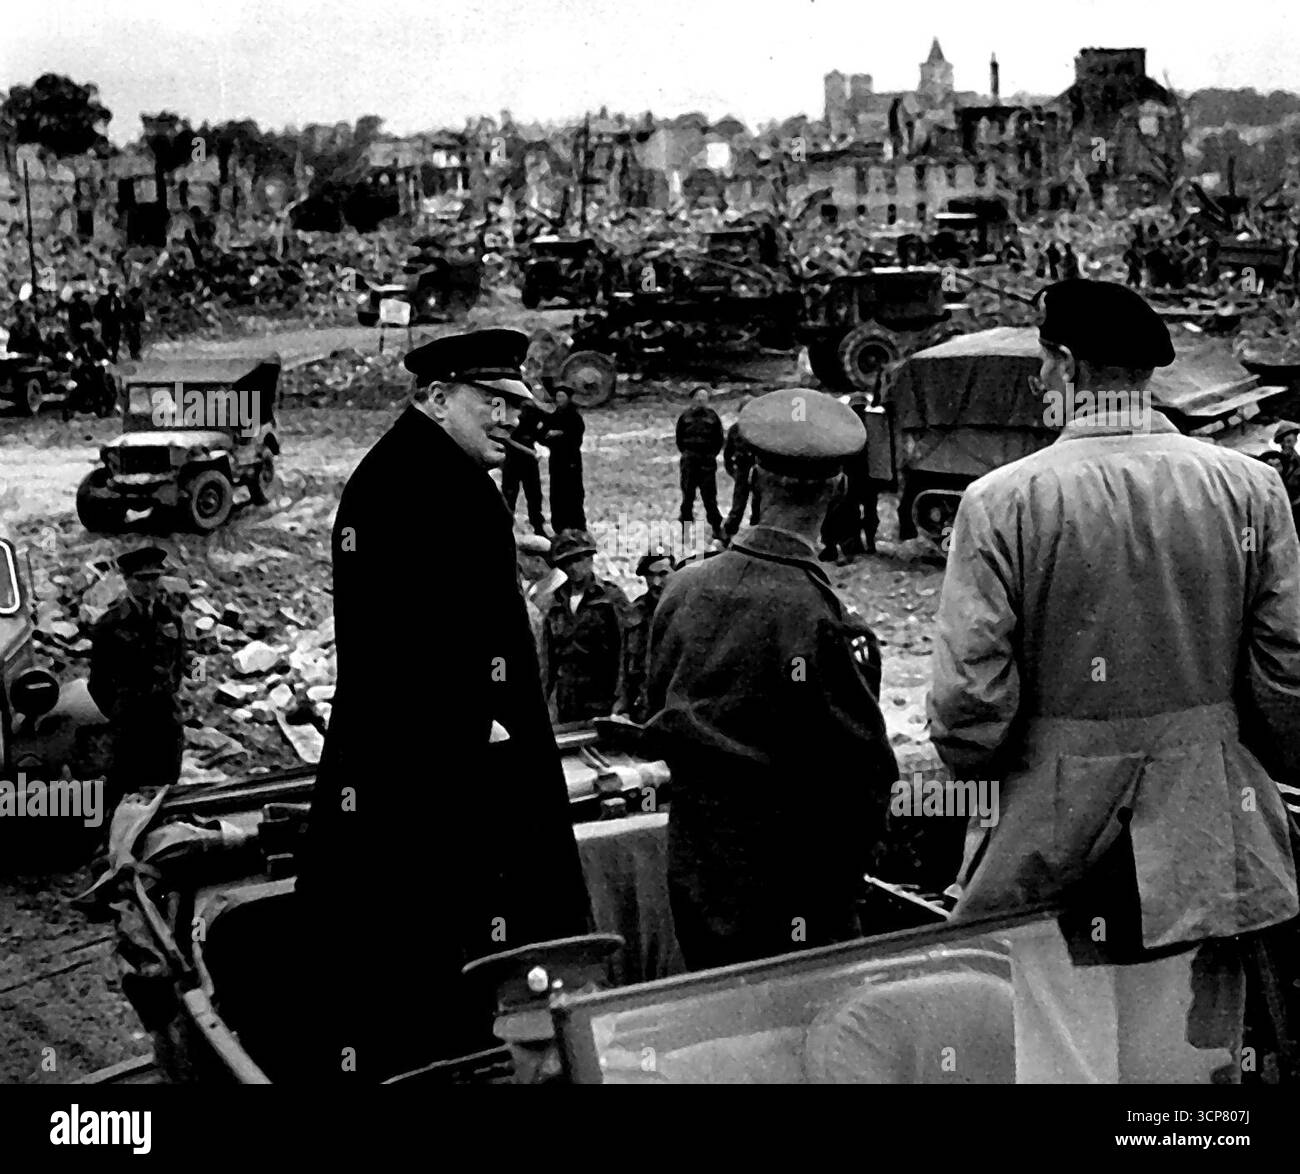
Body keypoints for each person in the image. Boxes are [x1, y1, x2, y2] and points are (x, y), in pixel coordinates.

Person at [930, 279, 1300, 1084]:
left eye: (1042, 364)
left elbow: (968, 703)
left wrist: (996, 775)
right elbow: (1287, 674)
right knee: (1183, 1084)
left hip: (1050, 843)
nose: (1039, 383)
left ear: (1063, 365)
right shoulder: (1250, 486)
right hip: (1207, 835)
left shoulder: (1001, 501)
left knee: (1065, 1063)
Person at [296, 329, 592, 1082]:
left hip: (407, 773)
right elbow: (429, 657)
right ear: (435, 399)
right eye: (490, 402)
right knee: (439, 951)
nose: (509, 419)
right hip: (431, 783)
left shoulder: (413, 474)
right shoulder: (440, 488)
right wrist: (493, 735)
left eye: (514, 404)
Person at [644, 388, 897, 971]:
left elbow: (656, 711)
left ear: (751, 476)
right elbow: (864, 782)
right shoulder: (830, 626)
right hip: (797, 896)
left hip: (697, 878)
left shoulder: (682, 590)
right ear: (836, 490)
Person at [87, 546, 186, 811]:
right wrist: (118, 710)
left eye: (155, 578)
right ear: (127, 581)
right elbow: (97, 682)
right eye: (142, 579)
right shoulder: (109, 625)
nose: (150, 585)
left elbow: (186, 659)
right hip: (131, 725)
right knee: (125, 792)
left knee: (167, 792)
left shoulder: (171, 618)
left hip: (166, 720)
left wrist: (181, 691)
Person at [542, 529, 627, 723]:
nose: (573, 568)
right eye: (566, 563)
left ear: (590, 559)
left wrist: (621, 700)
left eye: (578, 560)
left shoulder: (610, 597)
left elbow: (625, 650)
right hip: (567, 698)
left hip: (601, 695)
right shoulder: (555, 603)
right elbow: (548, 660)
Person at [613, 549, 673, 724]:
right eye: (650, 575)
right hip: (641, 708)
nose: (656, 582)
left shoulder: (684, 610)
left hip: (672, 708)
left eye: (663, 574)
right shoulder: (634, 612)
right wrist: (621, 704)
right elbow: (623, 662)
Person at [675, 386, 726, 542]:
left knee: (710, 498)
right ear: (693, 399)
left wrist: (710, 455)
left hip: (707, 463)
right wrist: (688, 454)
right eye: (698, 397)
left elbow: (719, 440)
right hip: (689, 462)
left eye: (704, 397)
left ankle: (717, 528)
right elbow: (679, 439)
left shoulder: (713, 417)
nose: (701, 400)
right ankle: (685, 529)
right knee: (688, 498)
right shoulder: (685, 417)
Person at [501, 396, 550, 536]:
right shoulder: (507, 414)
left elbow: (543, 430)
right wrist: (530, 451)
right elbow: (505, 438)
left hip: (528, 462)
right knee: (510, 496)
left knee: (534, 495)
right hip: (513, 459)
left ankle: (538, 526)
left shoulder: (534, 413)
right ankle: (506, 528)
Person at [542, 388, 587, 532]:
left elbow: (575, 437)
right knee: (557, 494)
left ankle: (576, 525)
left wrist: (560, 435)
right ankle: (559, 526)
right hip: (556, 461)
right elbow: (543, 435)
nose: (559, 399)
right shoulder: (552, 417)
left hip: (571, 460)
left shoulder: (574, 417)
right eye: (558, 396)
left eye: (562, 396)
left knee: (573, 493)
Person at [722, 398, 760, 540]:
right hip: (742, 469)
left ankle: (755, 532)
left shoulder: (761, 430)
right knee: (738, 504)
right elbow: (728, 453)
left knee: (758, 505)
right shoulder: (735, 430)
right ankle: (729, 532)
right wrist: (732, 471)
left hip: (757, 469)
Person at [94, 282, 124, 362]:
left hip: (115, 324)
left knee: (115, 340)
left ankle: (114, 356)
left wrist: (120, 320)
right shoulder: (103, 298)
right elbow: (96, 310)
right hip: (106, 323)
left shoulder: (118, 300)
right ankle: (106, 355)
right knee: (106, 339)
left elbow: (120, 312)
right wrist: (100, 319)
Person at [123, 287, 146, 361]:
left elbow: (142, 317)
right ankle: (134, 354)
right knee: (133, 340)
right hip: (132, 326)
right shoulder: (135, 304)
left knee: (135, 340)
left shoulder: (135, 303)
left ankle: (135, 354)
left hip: (134, 325)